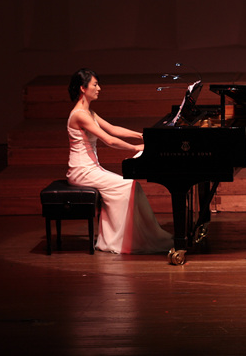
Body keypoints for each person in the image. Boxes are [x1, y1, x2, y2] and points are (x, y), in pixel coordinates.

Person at [66, 68, 173, 254]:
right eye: (95, 85)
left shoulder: (88, 112)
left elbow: (113, 129)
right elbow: (109, 140)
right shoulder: (79, 115)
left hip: (91, 168)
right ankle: (119, 240)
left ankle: (138, 236)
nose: (99, 88)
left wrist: (142, 136)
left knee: (133, 186)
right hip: (81, 171)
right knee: (127, 185)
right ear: (83, 88)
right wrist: (135, 148)